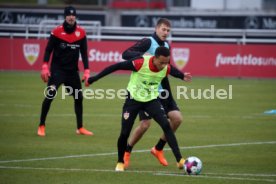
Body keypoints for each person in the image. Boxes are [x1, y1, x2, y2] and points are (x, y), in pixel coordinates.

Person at [86, 46, 186, 171]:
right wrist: (93, 79)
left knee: (166, 126)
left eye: (166, 62)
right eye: (161, 62)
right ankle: (120, 162)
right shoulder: (139, 63)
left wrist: (182, 76)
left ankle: (180, 160)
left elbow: (173, 71)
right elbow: (115, 67)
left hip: (151, 101)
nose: (163, 65)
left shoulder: (165, 68)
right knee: (124, 133)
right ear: (154, 58)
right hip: (132, 101)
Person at [122, 18, 191, 168]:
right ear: (156, 28)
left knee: (177, 119)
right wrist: (143, 60)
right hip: (145, 91)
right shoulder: (147, 42)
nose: (166, 33)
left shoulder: (166, 45)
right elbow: (126, 54)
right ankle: (127, 152)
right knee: (145, 125)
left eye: (168, 31)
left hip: (163, 90)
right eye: (163, 29)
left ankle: (158, 148)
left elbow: (168, 67)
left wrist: (181, 75)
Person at [37, 6, 93, 136]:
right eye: (69, 15)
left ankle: (80, 128)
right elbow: (48, 50)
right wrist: (45, 66)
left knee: (79, 98)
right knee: (49, 96)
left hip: (72, 72)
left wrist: (87, 71)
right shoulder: (56, 32)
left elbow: (84, 54)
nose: (71, 17)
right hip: (57, 71)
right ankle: (41, 125)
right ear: (65, 16)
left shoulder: (81, 33)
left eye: (73, 15)